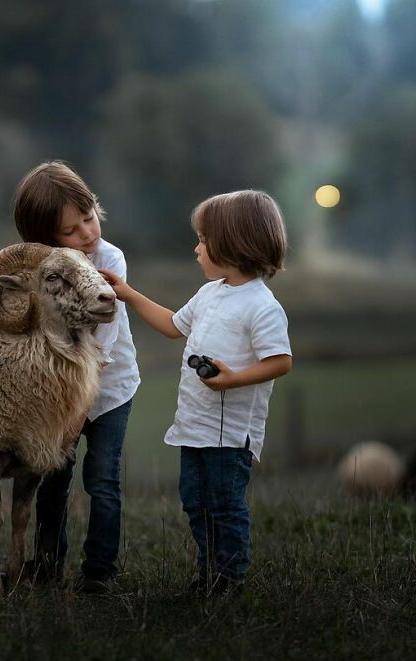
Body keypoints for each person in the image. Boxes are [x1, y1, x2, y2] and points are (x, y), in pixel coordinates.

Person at [0, 161, 139, 593]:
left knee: (102, 478)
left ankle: (99, 571)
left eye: (89, 218)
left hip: (108, 389)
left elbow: (103, 346)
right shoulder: (39, 265)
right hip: (57, 394)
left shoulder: (109, 259)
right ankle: (47, 563)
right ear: (44, 237)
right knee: (51, 479)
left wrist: (71, 427)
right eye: (71, 231)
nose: (88, 234)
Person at [100, 190, 292, 594]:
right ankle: (208, 573)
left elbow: (280, 360)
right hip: (195, 426)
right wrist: (128, 294)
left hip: (228, 434)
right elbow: (174, 325)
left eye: (203, 240)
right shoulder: (210, 293)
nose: (196, 248)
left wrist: (231, 379)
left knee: (224, 506)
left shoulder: (262, 305)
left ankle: (229, 579)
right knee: (195, 502)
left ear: (233, 243)